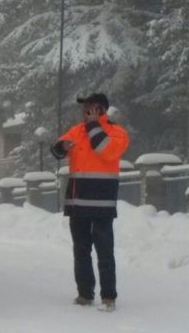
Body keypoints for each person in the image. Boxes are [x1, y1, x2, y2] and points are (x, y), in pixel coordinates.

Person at [50, 93, 131, 311]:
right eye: (84, 108)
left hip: (102, 203)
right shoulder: (76, 131)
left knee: (105, 251)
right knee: (81, 250)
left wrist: (95, 125)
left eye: (90, 108)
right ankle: (85, 294)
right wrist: (62, 147)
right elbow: (56, 149)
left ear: (102, 110)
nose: (85, 112)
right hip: (78, 202)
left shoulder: (117, 133)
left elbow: (104, 150)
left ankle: (108, 297)